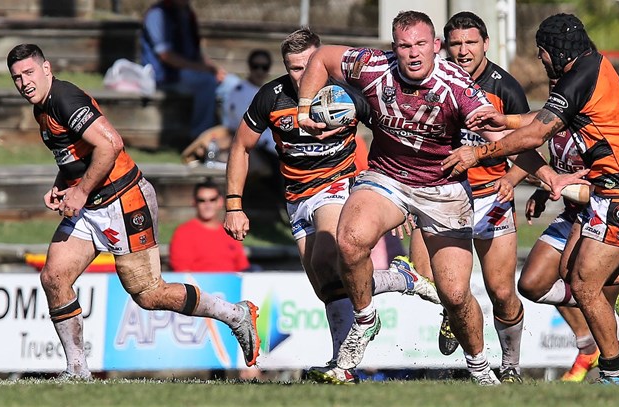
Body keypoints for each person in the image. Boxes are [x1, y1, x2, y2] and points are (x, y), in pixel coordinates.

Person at [443, 13, 619, 384]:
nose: (541, 61)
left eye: (542, 54)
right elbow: (540, 119)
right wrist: (504, 120)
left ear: (552, 51)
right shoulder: (590, 69)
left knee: (586, 285)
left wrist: (479, 153)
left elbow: (534, 136)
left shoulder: (579, 78)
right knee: (569, 280)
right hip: (613, 195)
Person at [7, 43, 260, 380]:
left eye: (29, 73)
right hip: (92, 207)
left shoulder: (64, 98)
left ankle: (235, 314)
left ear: (47, 69)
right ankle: (77, 371)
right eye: (17, 77)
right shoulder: (43, 107)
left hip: (124, 201)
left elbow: (110, 144)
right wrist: (63, 184)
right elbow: (75, 154)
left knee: (149, 293)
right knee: (54, 276)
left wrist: (80, 191)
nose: (24, 82)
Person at [295, 11, 515, 385]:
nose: (413, 54)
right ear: (393, 48)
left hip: (442, 190)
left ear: (436, 47)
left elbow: (501, 138)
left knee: (455, 293)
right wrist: (304, 109)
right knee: (348, 240)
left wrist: (544, 174)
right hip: (388, 178)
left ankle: (480, 367)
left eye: (420, 45)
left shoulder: (457, 86)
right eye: (404, 45)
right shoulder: (372, 65)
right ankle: (365, 321)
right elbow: (322, 58)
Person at [223, 28, 439, 385]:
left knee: (328, 257)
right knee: (325, 285)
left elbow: (391, 136)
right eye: (294, 68)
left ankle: (347, 358)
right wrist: (234, 205)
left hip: (339, 186)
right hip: (296, 198)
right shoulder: (271, 97)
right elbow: (240, 147)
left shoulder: (349, 93)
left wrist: (398, 191)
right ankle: (354, 354)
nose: (303, 74)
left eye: (309, 64)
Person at [404, 11, 530, 383]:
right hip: (440, 196)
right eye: (456, 43)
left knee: (502, 291)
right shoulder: (430, 81)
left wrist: (512, 177)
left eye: (470, 43)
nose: (463, 51)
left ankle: (510, 366)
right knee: (424, 277)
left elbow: (530, 145)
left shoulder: (505, 88)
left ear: (486, 44)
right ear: (443, 46)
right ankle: (452, 310)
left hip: (491, 198)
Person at [518, 130, 619, 382]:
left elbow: (604, 190)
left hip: (616, 217)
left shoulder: (602, 126)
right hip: (574, 216)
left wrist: (545, 182)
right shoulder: (555, 120)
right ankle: (589, 348)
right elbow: (560, 168)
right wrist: (544, 190)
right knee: (540, 283)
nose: (557, 88)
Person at [141, 0, 226, 140]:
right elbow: (166, 56)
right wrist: (203, 69)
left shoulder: (187, 13)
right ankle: (201, 138)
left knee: (231, 84)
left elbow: (196, 53)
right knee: (206, 82)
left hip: (188, 72)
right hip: (165, 75)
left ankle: (230, 139)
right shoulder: (157, 14)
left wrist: (214, 69)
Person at [170, 180, 251, 272]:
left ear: (220, 202)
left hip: (232, 284)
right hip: (198, 285)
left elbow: (242, 267)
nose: (207, 205)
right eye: (202, 200)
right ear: (194, 202)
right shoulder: (183, 233)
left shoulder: (230, 230)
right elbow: (182, 272)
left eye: (212, 200)